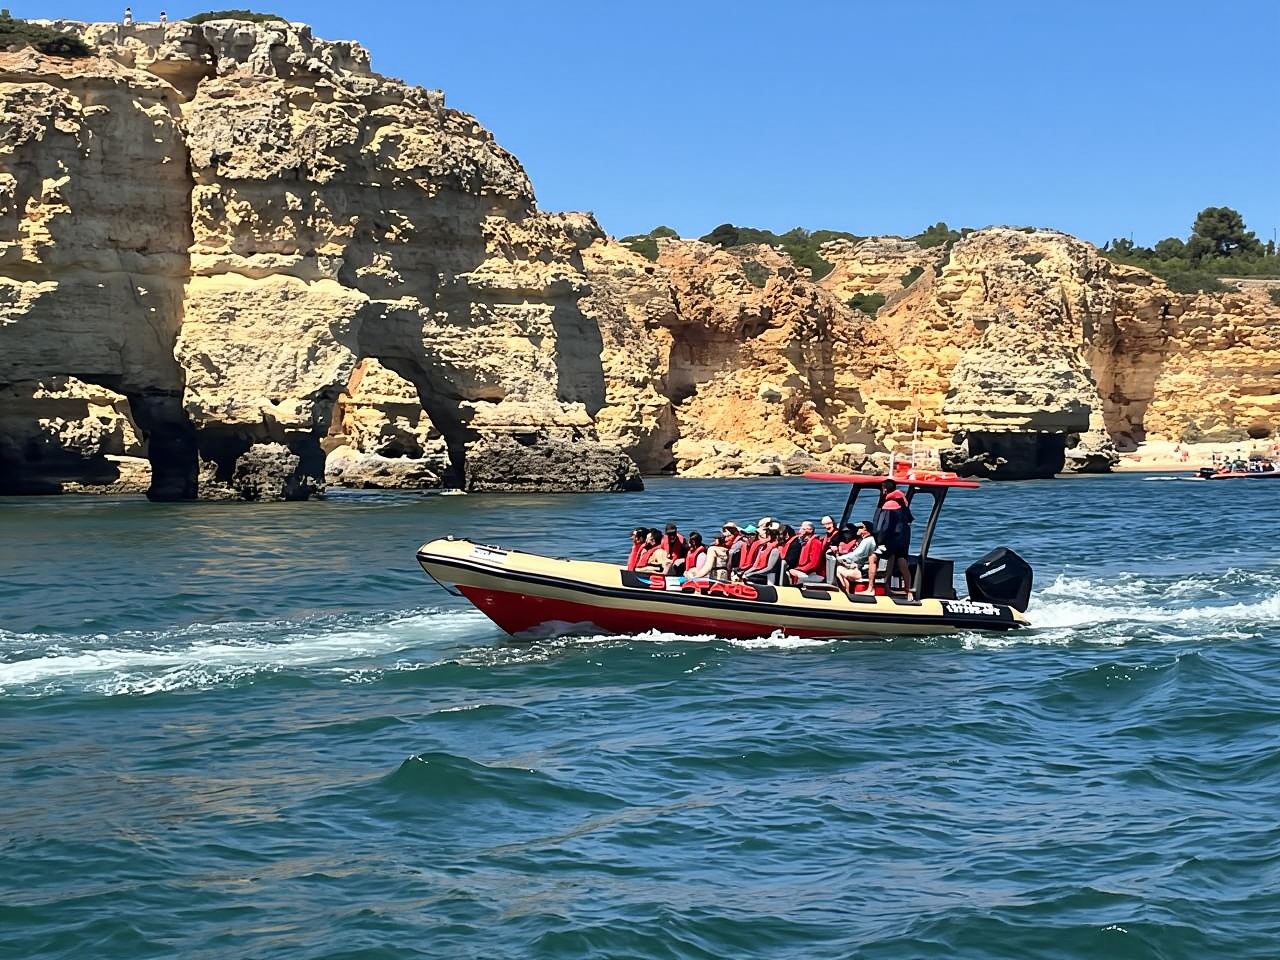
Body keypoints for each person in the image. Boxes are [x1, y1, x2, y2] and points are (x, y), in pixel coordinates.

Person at [868, 480, 915, 600]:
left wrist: (879, 540)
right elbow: (909, 519)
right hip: (903, 538)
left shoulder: (888, 505)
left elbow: (882, 527)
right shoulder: (902, 501)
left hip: (890, 539)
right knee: (901, 560)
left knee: (873, 558)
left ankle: (871, 588)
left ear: (884, 489)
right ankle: (908, 591)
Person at [835, 522, 877, 594]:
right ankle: (847, 593)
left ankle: (845, 593)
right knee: (841, 571)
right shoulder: (865, 540)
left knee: (838, 569)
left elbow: (857, 554)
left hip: (862, 571)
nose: (858, 529)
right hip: (860, 567)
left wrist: (840, 558)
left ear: (866, 530)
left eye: (860, 528)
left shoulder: (868, 540)